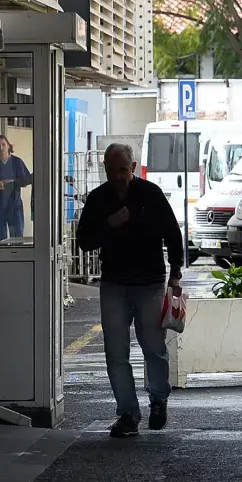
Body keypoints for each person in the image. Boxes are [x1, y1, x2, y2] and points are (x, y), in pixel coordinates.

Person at [76, 142, 185, 436]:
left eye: (122, 169)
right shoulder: (99, 199)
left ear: (133, 167)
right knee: (116, 352)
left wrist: (175, 274)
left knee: (153, 347)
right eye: (111, 170)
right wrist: (108, 225)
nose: (117, 176)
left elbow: (173, 235)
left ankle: (158, 400)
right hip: (113, 284)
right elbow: (83, 240)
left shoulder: (151, 194)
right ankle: (127, 413)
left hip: (149, 283)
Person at [0, 135, 33, 242]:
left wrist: (12, 182)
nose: (1, 147)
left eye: (3, 144)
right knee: (0, 238)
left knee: (16, 238)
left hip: (14, 204)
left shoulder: (17, 162)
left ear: (8, 146)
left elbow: (27, 179)